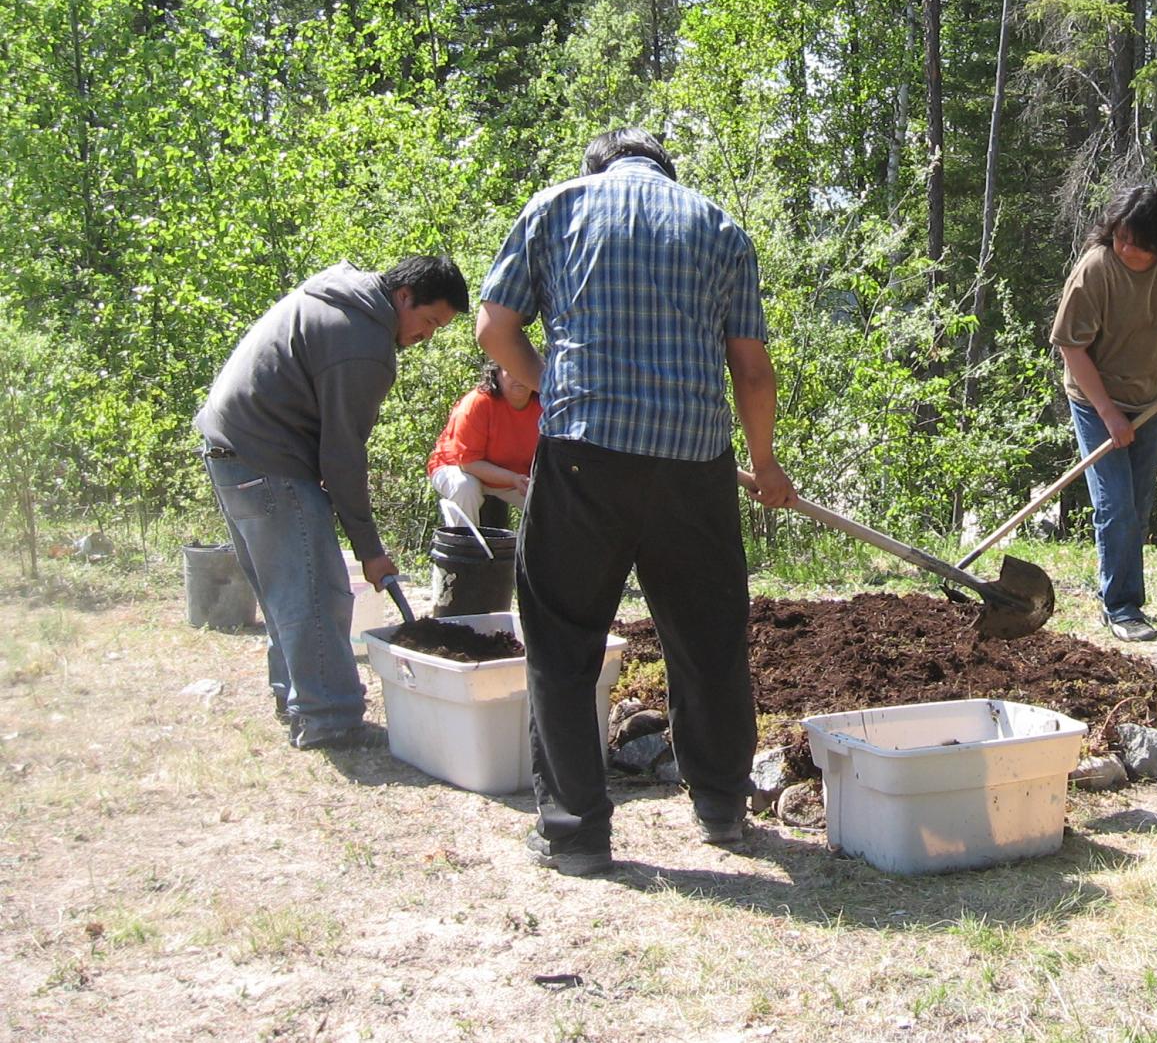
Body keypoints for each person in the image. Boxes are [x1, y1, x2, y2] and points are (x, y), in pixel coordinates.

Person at [478, 127, 794, 876]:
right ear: (666, 171)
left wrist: (553, 388)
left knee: (563, 641)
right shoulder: (718, 226)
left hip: (584, 453)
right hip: (693, 463)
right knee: (708, 637)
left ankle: (575, 835)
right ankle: (721, 808)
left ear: (599, 165)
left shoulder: (556, 208)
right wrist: (765, 464)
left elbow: (495, 329)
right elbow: (751, 372)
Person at [195, 256, 469, 750]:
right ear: (404, 297)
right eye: (428, 322)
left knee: (284, 590)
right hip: (265, 458)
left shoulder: (337, 294)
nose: (425, 337)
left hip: (228, 447)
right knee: (315, 591)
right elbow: (342, 456)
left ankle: (298, 698)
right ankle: (330, 717)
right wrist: (368, 548)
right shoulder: (362, 344)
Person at [1050, 185, 1157, 643]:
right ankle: (1121, 608)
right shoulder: (1096, 269)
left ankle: (1120, 593)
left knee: (1138, 503)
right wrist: (1108, 413)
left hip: (1152, 397)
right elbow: (1071, 346)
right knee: (1116, 505)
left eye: (1138, 243)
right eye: (1121, 237)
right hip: (1096, 399)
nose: (1127, 248)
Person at [426, 360, 541, 527]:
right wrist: (513, 478)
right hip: (457, 467)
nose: (519, 377)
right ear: (497, 374)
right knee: (465, 487)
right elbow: (468, 464)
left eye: (526, 370)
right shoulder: (477, 402)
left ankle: (537, 553)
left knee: (552, 503)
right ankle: (463, 547)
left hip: (515, 479)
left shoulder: (546, 408)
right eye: (511, 370)